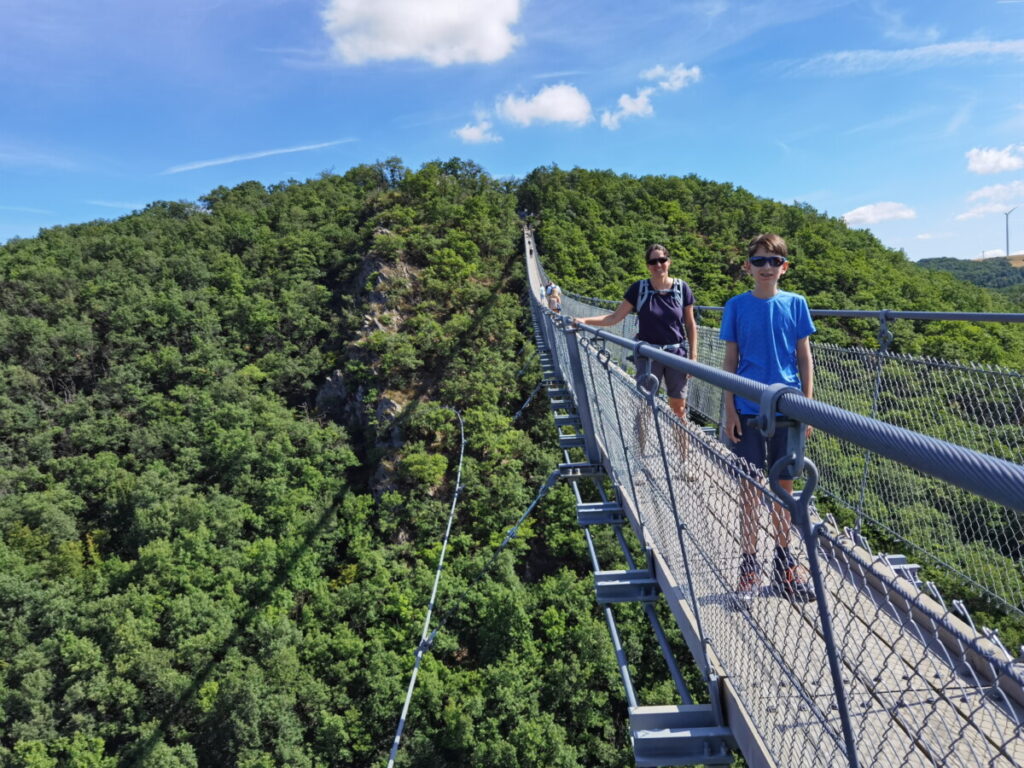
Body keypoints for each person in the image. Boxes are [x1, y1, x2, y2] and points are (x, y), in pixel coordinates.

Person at [720, 233, 816, 602]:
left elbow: (804, 358)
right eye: (758, 261)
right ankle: (748, 568)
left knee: (784, 489)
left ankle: (783, 566)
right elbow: (729, 362)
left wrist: (807, 411)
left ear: (784, 268)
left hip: (789, 409)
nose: (765, 268)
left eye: (773, 262)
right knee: (748, 488)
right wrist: (728, 408)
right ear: (748, 267)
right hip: (746, 408)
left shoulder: (797, 304)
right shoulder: (736, 306)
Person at [575, 244, 698, 424]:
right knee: (643, 406)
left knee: (678, 410)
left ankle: (684, 452)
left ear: (669, 262)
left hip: (676, 354)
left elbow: (690, 323)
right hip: (648, 354)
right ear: (647, 265)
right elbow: (615, 317)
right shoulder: (638, 289)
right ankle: (640, 451)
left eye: (662, 260)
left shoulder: (682, 288)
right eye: (653, 261)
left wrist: (693, 357)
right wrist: (585, 321)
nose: (658, 265)